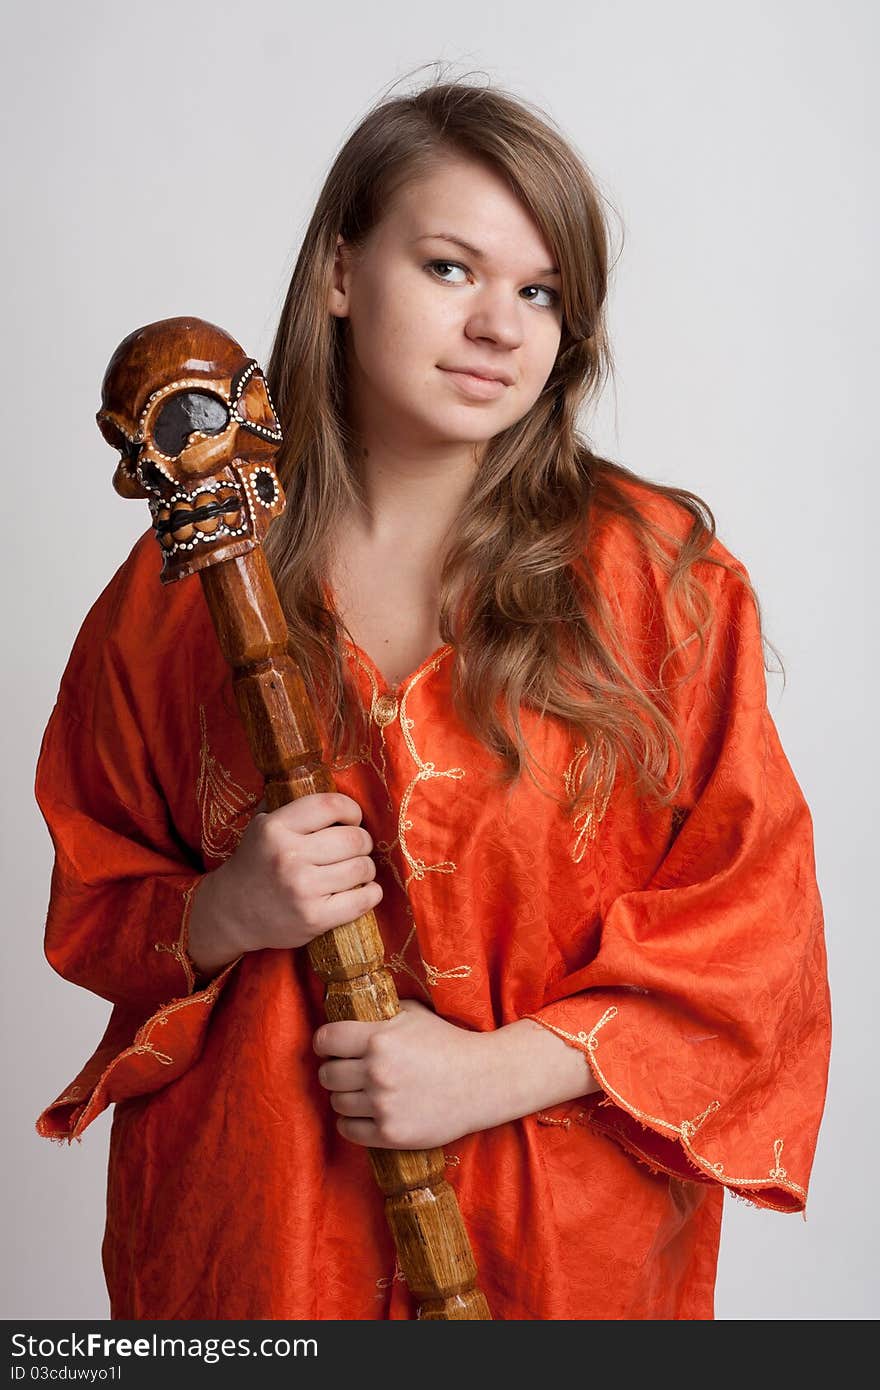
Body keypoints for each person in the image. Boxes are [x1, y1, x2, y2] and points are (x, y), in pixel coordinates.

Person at [34, 76, 832, 1321]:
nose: (500, 327)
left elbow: (757, 934)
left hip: (559, 1249)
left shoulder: (658, 585)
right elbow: (94, 894)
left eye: (540, 291)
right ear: (342, 271)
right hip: (258, 1240)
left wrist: (492, 1073)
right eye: (451, 268)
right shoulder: (179, 592)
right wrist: (228, 908)